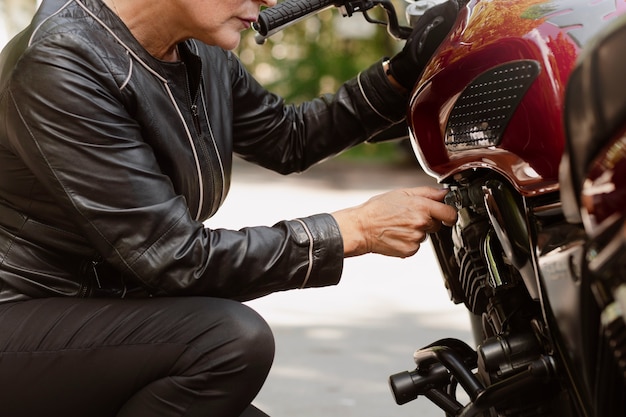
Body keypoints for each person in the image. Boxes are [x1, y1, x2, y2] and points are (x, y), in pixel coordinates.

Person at [0, 0, 459, 416]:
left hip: (101, 313)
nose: (270, 2)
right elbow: (173, 257)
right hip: (21, 317)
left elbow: (288, 138)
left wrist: (402, 71)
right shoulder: (62, 62)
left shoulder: (197, 51)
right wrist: (351, 229)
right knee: (229, 341)